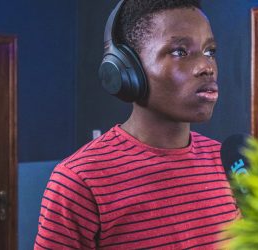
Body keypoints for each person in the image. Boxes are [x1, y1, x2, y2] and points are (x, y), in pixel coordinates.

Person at [34, 0, 239, 249]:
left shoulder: (229, 163)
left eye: (210, 51)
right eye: (179, 52)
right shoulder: (79, 181)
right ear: (126, 69)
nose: (207, 67)